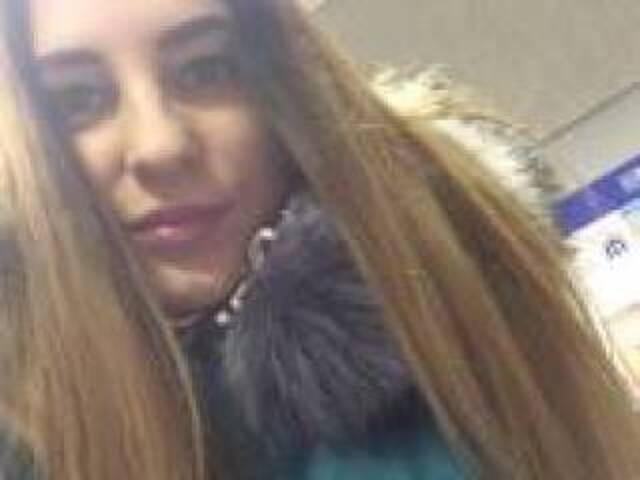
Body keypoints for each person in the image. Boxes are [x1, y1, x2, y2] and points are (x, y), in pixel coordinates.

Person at [0, 0, 639, 479]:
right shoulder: (29, 441)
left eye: (205, 69)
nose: (161, 145)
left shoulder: (454, 303)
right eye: (77, 101)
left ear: (278, 88)